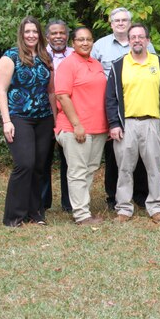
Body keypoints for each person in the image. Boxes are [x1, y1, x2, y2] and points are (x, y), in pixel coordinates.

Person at [105, 23, 160, 223]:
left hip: (153, 123)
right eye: (133, 37)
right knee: (125, 168)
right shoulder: (118, 65)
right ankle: (124, 208)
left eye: (141, 36)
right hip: (127, 124)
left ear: (148, 40)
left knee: (154, 167)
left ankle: (156, 207)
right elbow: (110, 97)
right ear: (128, 40)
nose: (137, 40)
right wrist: (114, 123)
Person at [91, 7, 152, 210]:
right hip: (113, 105)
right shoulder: (100, 46)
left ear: (130, 23)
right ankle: (113, 196)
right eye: (116, 20)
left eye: (124, 20)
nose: (120, 23)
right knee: (114, 155)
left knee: (141, 156)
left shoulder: (142, 43)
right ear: (110, 23)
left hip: (139, 104)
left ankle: (141, 195)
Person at [0, 16, 54, 227]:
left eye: (35, 31)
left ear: (40, 34)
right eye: (27, 32)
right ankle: (14, 216)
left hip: (44, 118)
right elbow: (1, 89)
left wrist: (55, 120)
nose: (31, 35)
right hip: (19, 117)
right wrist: (6, 121)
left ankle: (35, 213)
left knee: (39, 166)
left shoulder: (46, 57)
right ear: (21, 34)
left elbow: (51, 91)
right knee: (24, 164)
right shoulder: (11, 56)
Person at [54, 27, 108, 225]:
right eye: (80, 40)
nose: (85, 43)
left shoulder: (96, 64)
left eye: (89, 39)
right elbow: (62, 95)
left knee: (90, 168)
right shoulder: (68, 65)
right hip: (75, 128)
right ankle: (81, 215)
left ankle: (82, 207)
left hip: (98, 128)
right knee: (77, 171)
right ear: (73, 43)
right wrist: (77, 124)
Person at [41, 19, 73, 213]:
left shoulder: (75, 54)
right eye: (54, 33)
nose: (58, 36)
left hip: (68, 112)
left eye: (62, 33)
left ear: (67, 36)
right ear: (47, 36)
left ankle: (69, 202)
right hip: (44, 112)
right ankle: (43, 202)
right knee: (43, 157)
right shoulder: (39, 55)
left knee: (70, 158)